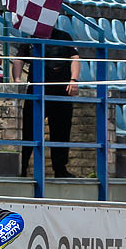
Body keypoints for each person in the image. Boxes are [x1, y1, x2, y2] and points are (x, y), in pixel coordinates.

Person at [26, 20, 80, 179]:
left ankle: (60, 169)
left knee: (62, 131)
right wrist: (17, 80)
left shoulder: (63, 36)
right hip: (36, 90)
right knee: (29, 130)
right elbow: (18, 58)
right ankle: (22, 168)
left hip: (61, 91)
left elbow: (75, 57)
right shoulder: (31, 37)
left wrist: (74, 80)